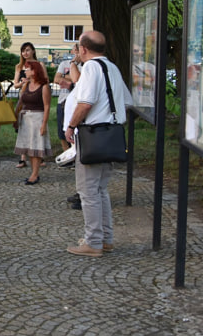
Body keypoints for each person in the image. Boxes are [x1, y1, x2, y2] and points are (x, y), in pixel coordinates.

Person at [64, 31, 132, 257]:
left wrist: (71, 126)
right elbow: (126, 101)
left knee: (88, 190)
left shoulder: (91, 68)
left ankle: (93, 242)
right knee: (100, 189)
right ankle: (106, 238)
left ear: (83, 49)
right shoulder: (112, 67)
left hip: (93, 134)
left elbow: (85, 103)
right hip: (111, 134)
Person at [13, 61, 51, 184]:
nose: (25, 71)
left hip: (37, 119)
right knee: (29, 148)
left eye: (28, 69)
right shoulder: (26, 84)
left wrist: (44, 124)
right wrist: (15, 116)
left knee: (36, 147)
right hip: (25, 119)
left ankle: (35, 174)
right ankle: (33, 173)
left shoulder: (44, 87)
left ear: (34, 71)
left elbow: (47, 106)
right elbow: (20, 102)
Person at [12, 42, 38, 169]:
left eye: (27, 50)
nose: (25, 53)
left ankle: (38, 155)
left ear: (33, 51)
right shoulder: (19, 66)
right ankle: (23, 157)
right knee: (22, 126)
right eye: (23, 51)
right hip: (23, 97)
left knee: (35, 127)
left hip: (35, 97)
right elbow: (15, 84)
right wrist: (23, 82)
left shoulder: (38, 65)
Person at [54, 44, 80, 156]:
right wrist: (71, 77)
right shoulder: (64, 64)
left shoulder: (85, 65)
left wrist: (67, 76)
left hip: (77, 101)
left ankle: (77, 153)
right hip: (63, 100)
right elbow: (56, 79)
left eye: (78, 50)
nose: (76, 52)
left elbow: (78, 78)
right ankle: (67, 153)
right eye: (74, 50)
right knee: (61, 129)